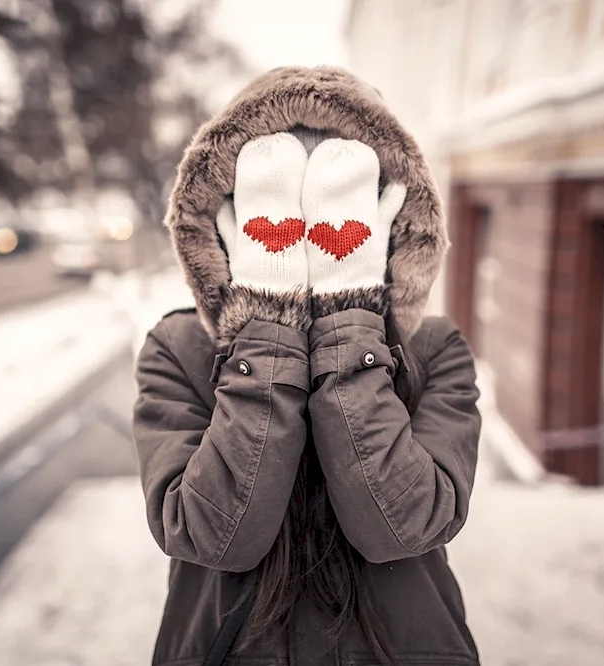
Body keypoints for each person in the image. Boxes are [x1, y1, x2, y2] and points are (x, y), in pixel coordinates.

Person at [133, 66, 482, 666]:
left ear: (388, 220)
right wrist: (268, 321)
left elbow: (404, 525)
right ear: (228, 220)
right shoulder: (178, 349)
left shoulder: (435, 349)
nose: (306, 237)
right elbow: (214, 534)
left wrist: (350, 316)